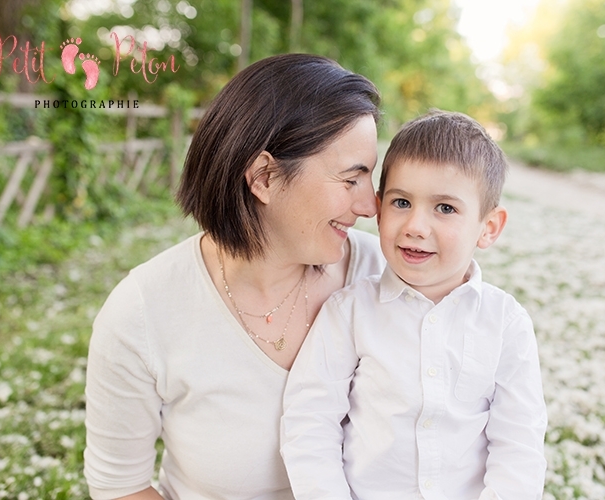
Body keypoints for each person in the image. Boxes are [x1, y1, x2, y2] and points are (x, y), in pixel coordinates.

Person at [83, 54, 386, 500]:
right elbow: (119, 487)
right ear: (263, 177)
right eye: (351, 179)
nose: (370, 206)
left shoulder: (384, 277)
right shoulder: (143, 312)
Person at [281, 110, 548, 500]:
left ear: (488, 227)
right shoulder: (350, 312)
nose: (416, 226)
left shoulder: (505, 323)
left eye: (445, 208)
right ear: (378, 206)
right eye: (401, 202)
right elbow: (310, 426)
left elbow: (518, 446)